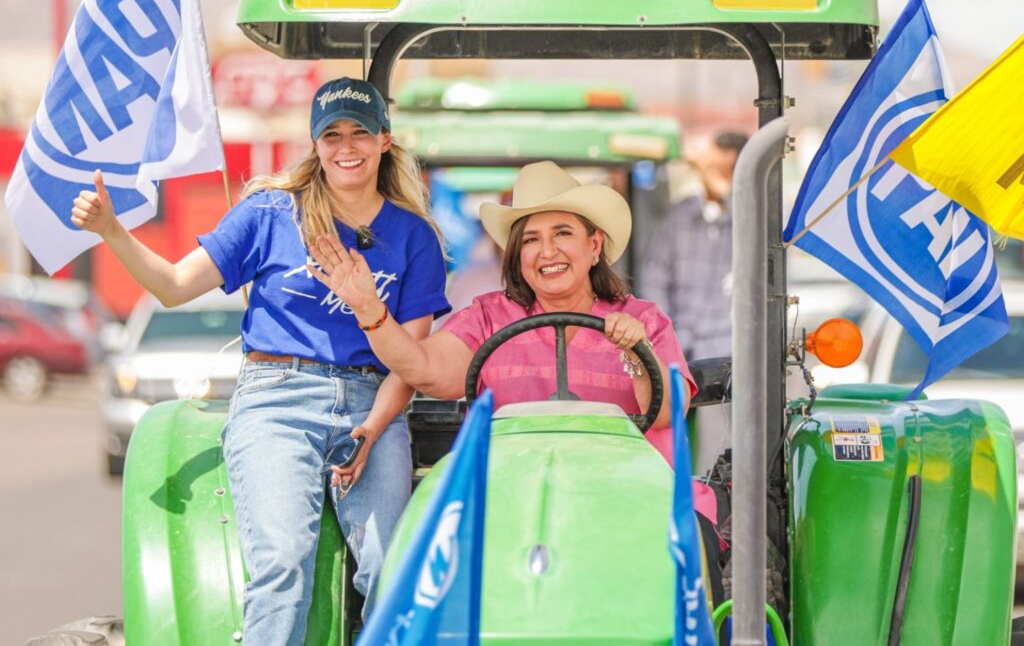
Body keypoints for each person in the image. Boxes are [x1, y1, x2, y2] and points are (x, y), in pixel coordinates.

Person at [70, 77, 450, 644]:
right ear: (315, 144)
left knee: (391, 568)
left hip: (373, 405)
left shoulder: (415, 236)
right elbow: (174, 286)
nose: (347, 146)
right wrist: (111, 230)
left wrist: (371, 430)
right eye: (332, 134)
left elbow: (411, 362)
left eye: (360, 133)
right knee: (282, 565)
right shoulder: (271, 213)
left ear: (384, 142)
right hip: (278, 397)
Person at [307, 160, 699, 461]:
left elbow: (666, 414)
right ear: (517, 255)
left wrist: (634, 349)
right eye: (531, 239)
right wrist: (369, 308)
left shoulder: (644, 320)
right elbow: (422, 367)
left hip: (616, 489)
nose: (547, 252)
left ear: (595, 245)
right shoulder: (487, 318)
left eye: (563, 233)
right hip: (508, 490)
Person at [640, 130, 748, 361]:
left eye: (728, 170)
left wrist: (726, 190)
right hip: (682, 347)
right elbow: (653, 280)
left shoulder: (753, 216)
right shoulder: (679, 215)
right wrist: (666, 337)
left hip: (735, 349)